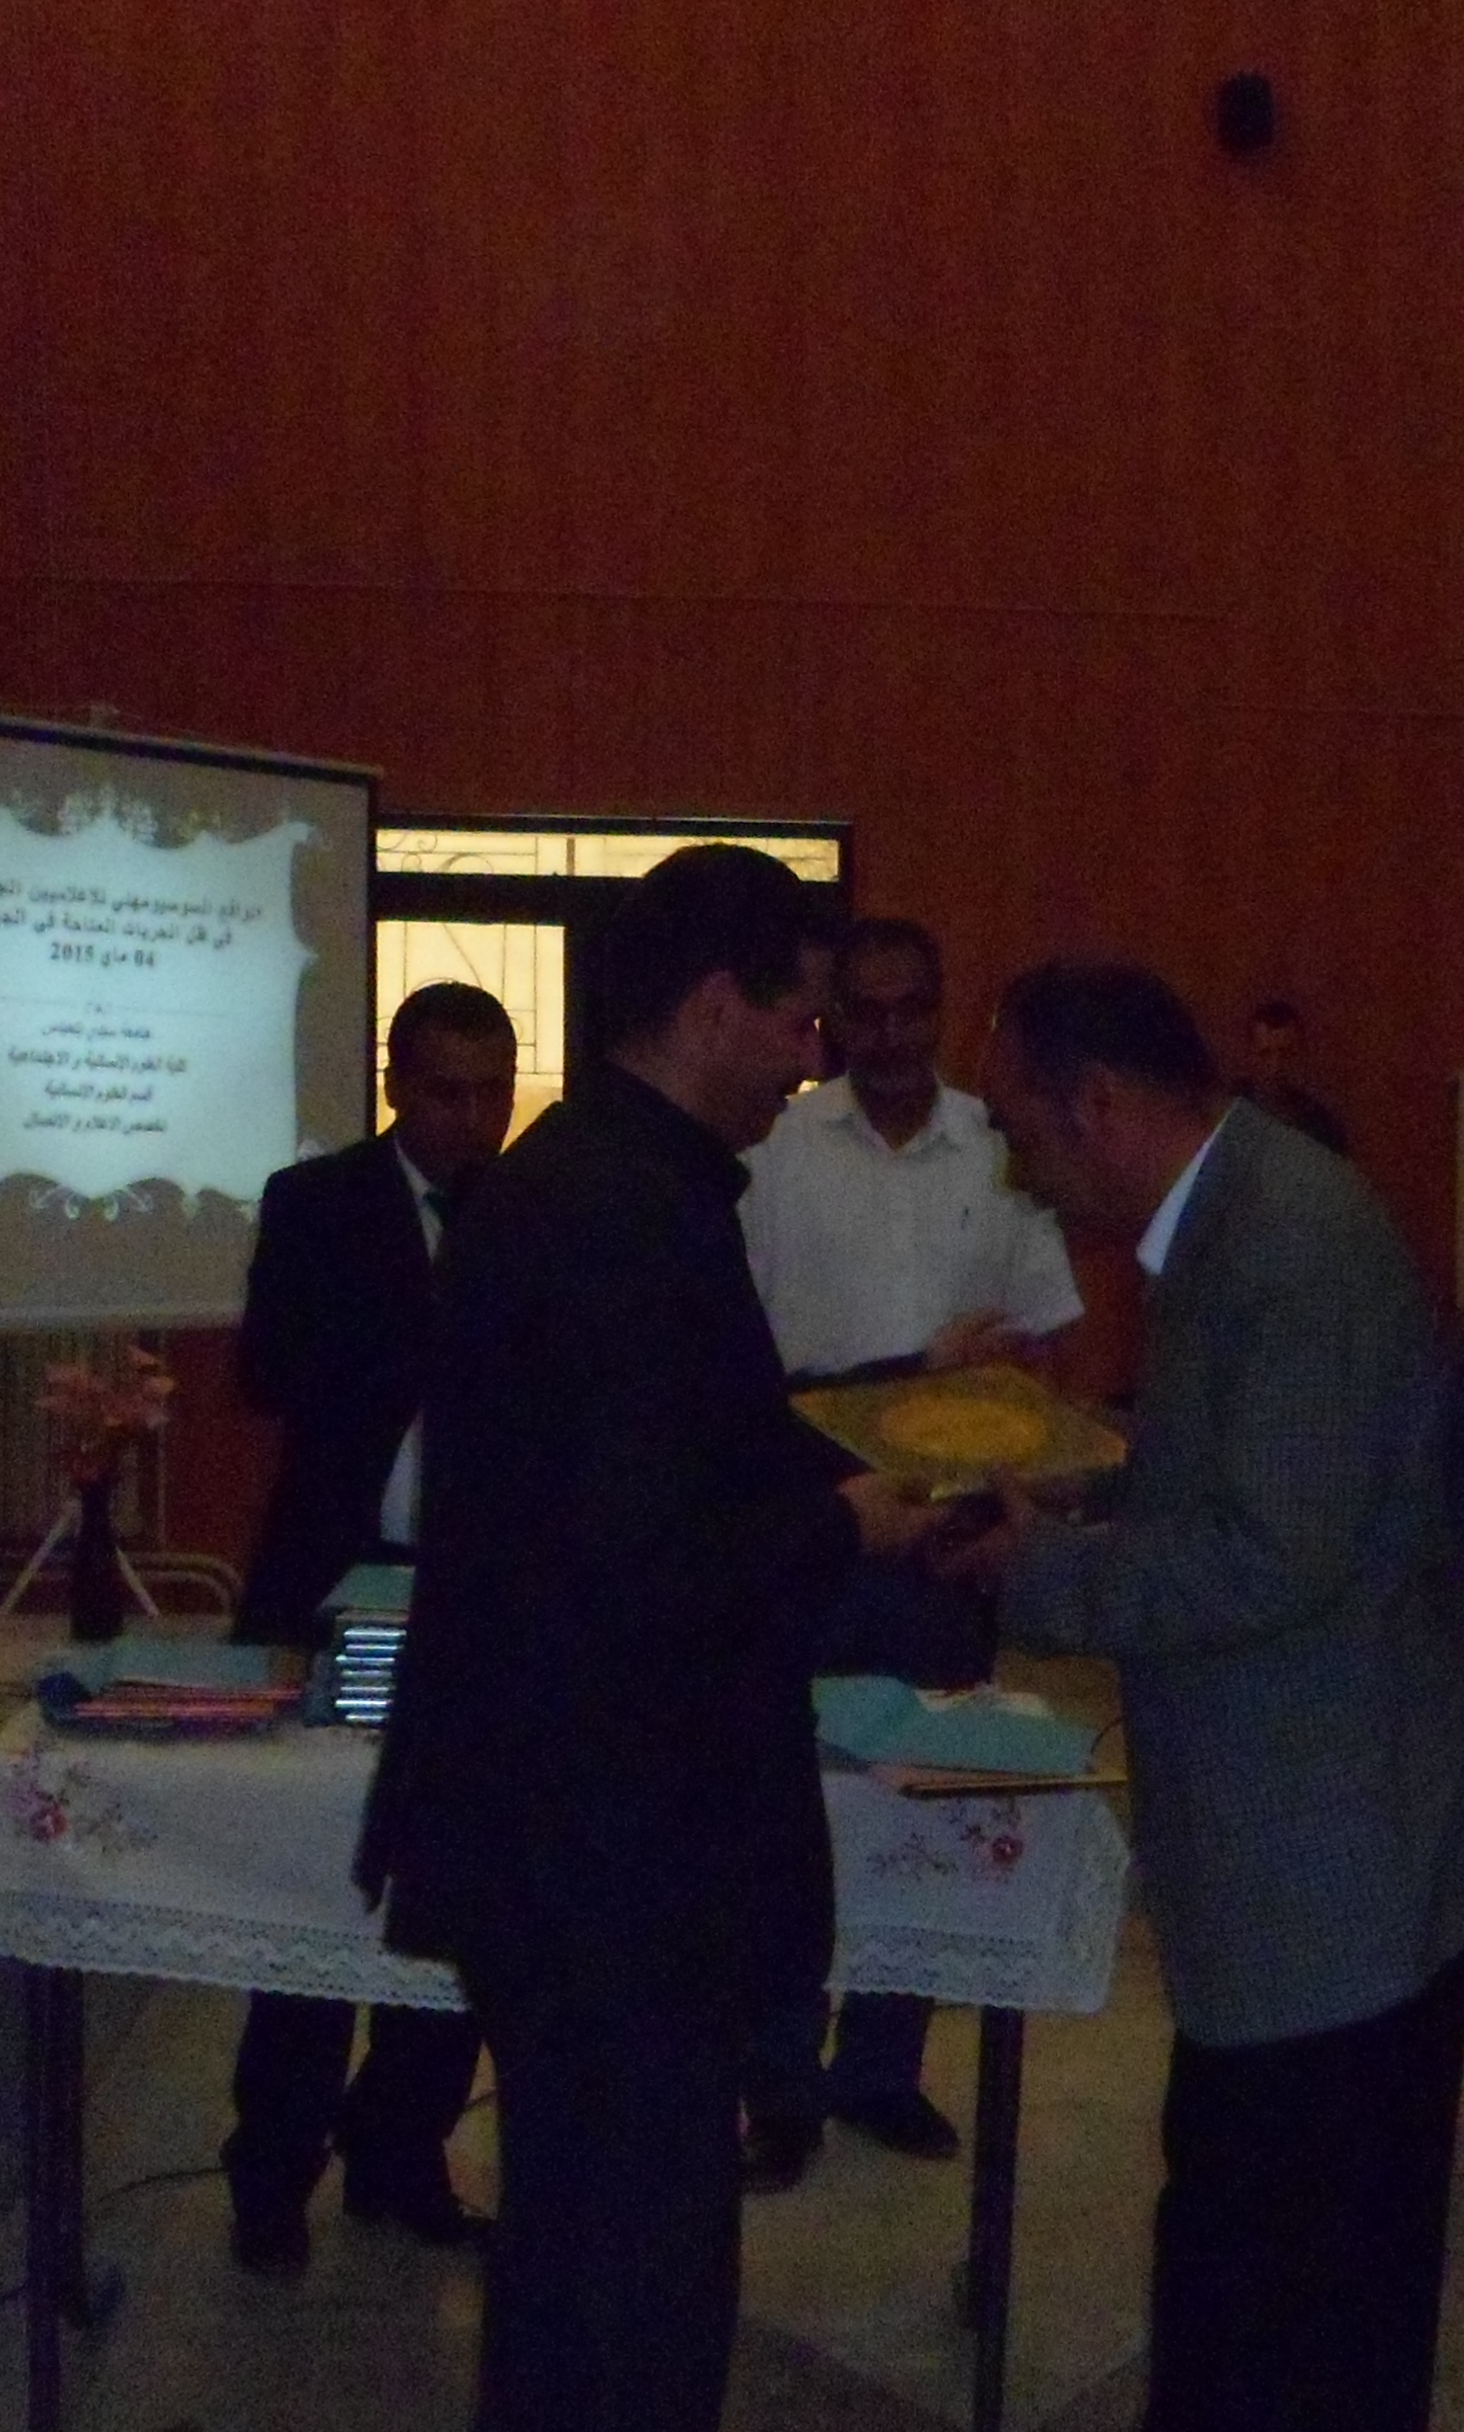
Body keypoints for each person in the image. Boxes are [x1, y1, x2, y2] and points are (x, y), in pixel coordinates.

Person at [355, 846, 944, 2432]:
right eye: (799, 1018)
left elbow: (697, 1449)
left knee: (596, 2265)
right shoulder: (616, 1211)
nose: (813, 1058)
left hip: (593, 1839)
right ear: (709, 1007)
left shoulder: (612, 1181)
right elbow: (646, 1553)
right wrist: (847, 1527)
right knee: (624, 2287)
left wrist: (868, 1452)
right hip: (607, 1848)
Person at [950, 958, 1464, 2432]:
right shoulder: (1227, 1223)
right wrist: (1085, 1489)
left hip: (1337, 1883)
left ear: (1099, 1103)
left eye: (1021, 1130)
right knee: (1253, 2266)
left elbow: (1272, 1553)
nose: (1018, 1171)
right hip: (1294, 1875)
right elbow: (1235, 1473)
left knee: (1291, 2304)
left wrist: (1041, 1576)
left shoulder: (1291, 1244)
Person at [732, 916, 1081, 2184]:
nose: (887, 1035)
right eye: (863, 1011)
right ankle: (778, 2078)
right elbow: (742, 1372)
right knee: (787, 1813)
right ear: (833, 1019)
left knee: (932, 1802)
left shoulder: (998, 1145)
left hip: (947, 1546)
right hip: (807, 1531)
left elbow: (1042, 1348)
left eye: (910, 1009)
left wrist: (1008, 1501)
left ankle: (883, 2067)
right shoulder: (775, 1150)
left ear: (941, 1008)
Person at [216, 981, 522, 2280]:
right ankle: (273, 2169)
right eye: (447, 1091)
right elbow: (269, 1371)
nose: (472, 1118)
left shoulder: (530, 1210)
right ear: (397, 1084)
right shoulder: (317, 1201)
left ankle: (403, 2149)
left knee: (456, 1879)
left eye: (492, 1093)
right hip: (336, 1581)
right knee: (313, 1876)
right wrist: (429, 1333)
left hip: (475, 1592)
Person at [1232, 996, 1349, 1156]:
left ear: (1301, 1056)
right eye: (1265, 1054)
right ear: (1249, 1056)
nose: (1276, 1066)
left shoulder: (1322, 1128)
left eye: (1286, 1054)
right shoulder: (1226, 1113)